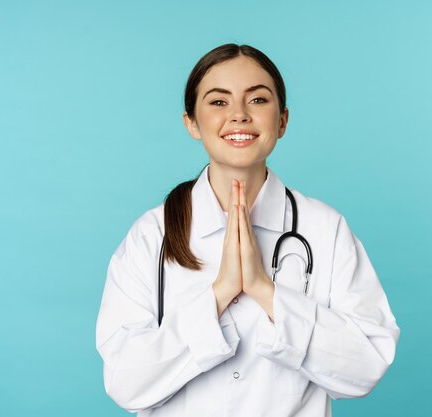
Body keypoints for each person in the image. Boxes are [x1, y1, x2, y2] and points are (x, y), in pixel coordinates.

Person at [95, 43, 400, 417]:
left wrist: (265, 291)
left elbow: (367, 367)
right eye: (218, 102)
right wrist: (220, 293)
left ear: (282, 120)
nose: (238, 115)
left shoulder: (325, 229)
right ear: (191, 122)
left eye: (257, 100)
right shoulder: (150, 236)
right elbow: (126, 384)